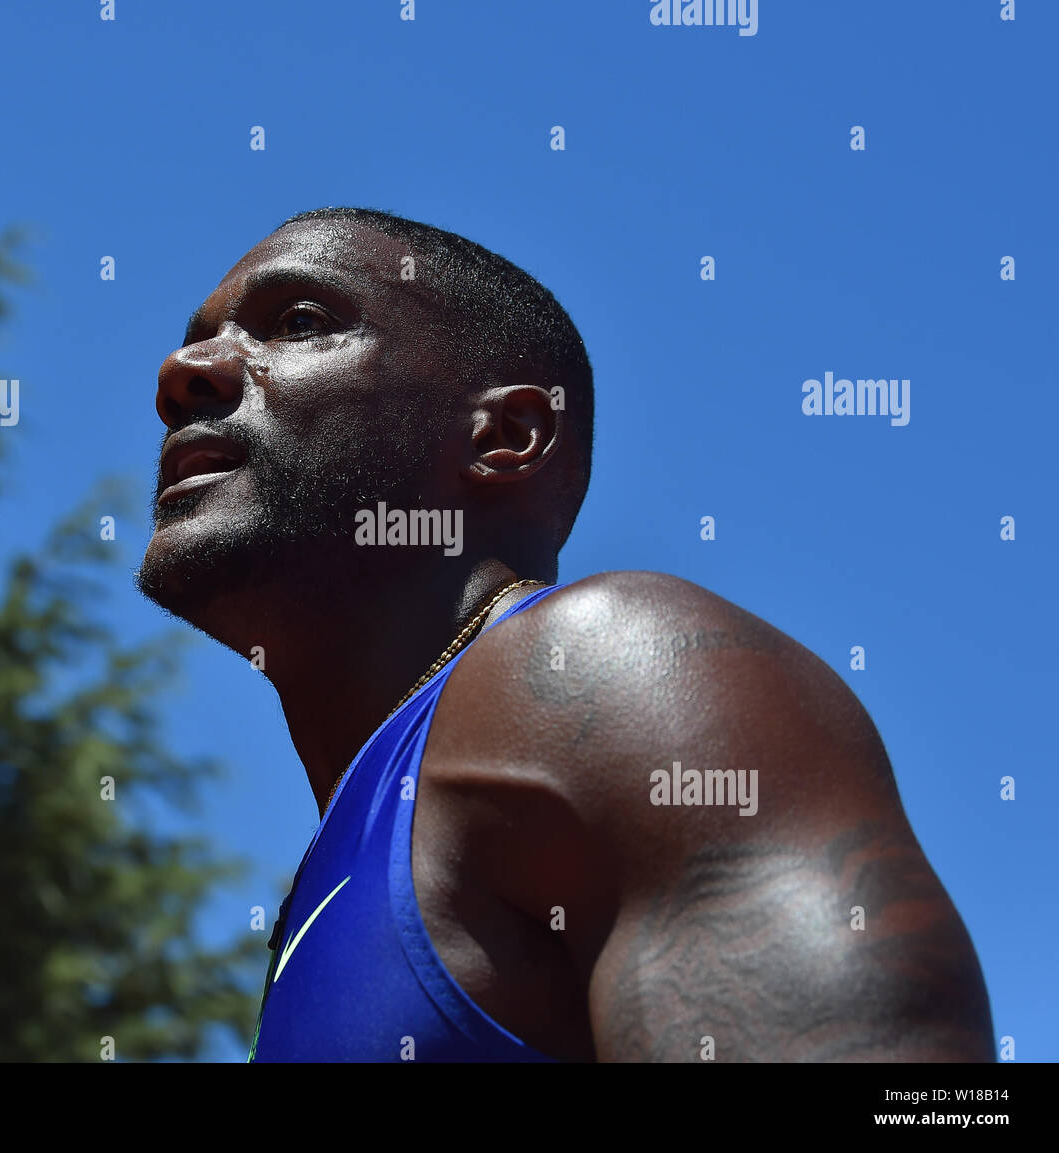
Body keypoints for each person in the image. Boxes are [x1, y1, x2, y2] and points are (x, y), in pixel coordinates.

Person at [136, 207, 994, 1062]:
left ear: (505, 434)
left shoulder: (607, 664)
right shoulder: (343, 867)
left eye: (298, 324)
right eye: (196, 339)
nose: (185, 372)